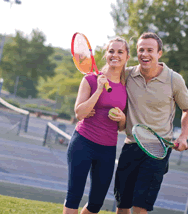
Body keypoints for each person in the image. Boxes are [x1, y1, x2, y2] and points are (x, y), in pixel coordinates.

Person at [114, 32, 188, 214]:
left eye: (150, 50)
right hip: (131, 146)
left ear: (160, 53)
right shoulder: (127, 75)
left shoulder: (174, 79)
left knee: (141, 205)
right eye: (141, 50)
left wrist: (183, 135)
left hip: (158, 150)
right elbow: (107, 79)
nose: (145, 54)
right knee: (122, 204)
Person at [63, 37, 130, 214]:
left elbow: (122, 127)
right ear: (106, 54)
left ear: (127, 57)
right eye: (111, 51)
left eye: (120, 52)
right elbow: (80, 113)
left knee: (96, 203)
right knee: (73, 197)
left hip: (107, 149)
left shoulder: (126, 87)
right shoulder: (90, 80)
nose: (115, 55)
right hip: (83, 143)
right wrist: (99, 90)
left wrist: (122, 118)